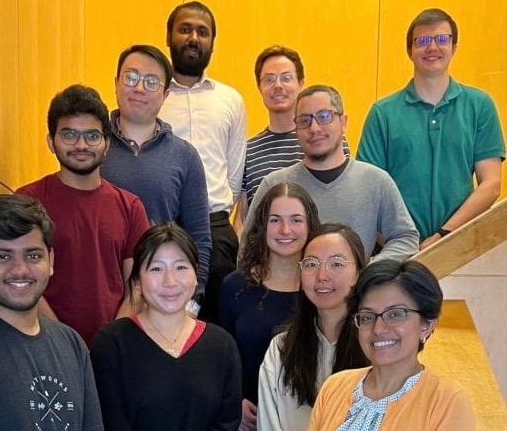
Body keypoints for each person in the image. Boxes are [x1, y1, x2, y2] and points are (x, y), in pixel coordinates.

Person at [0, 194, 103, 430]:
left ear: (51, 260)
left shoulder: (72, 344)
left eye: (33, 255)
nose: (20, 270)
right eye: (3, 256)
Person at [358, 8, 505, 250]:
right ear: (410, 51)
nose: (432, 47)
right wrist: (401, 244)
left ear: (454, 47)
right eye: (423, 41)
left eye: (442, 39)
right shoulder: (382, 113)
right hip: (397, 252)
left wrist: (444, 236)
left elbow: (491, 185)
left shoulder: (480, 106)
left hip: (460, 246)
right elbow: (369, 193)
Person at [17, 84, 150, 345]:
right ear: (51, 142)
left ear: (106, 144)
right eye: (69, 134)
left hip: (112, 348)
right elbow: (23, 277)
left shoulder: (131, 206)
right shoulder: (27, 201)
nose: (81, 145)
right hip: (41, 343)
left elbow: (137, 285)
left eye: (92, 136)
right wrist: (64, 343)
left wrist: (109, 343)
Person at [90, 223, 242, 431]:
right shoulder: (111, 344)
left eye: (181, 267)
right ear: (137, 281)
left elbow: (227, 422)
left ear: (196, 275)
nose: (170, 281)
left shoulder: (222, 345)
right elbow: (111, 421)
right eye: (156, 269)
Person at [243, 85, 419, 262]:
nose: (314, 128)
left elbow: (406, 238)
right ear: (296, 129)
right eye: (304, 120)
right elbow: (247, 249)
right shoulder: (274, 184)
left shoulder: (376, 181)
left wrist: (367, 270)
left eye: (324, 116)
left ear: (343, 122)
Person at [100, 44, 211, 304]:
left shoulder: (185, 156)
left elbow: (199, 237)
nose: (139, 88)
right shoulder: (93, 147)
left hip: (163, 296)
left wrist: (192, 301)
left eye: (151, 82)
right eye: (131, 77)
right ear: (116, 83)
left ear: (165, 93)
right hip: (101, 290)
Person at [307, 259, 475, 430]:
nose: (378, 329)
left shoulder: (447, 400)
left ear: (426, 325)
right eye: (367, 317)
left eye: (395, 314)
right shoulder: (334, 386)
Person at [159, 1, 247, 323]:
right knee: (161, 323)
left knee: (217, 326)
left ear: (212, 41)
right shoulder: (153, 97)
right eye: (185, 29)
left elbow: (235, 170)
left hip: (215, 231)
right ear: (169, 37)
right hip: (162, 228)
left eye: (202, 32)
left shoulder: (230, 100)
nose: (193, 38)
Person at [220, 182, 321, 431]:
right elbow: (219, 357)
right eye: (275, 220)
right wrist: (232, 404)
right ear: (262, 226)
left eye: (296, 220)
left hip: (309, 418)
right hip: (247, 420)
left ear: (310, 226)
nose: (285, 229)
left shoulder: (322, 288)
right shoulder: (234, 286)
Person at [257, 223, 369, 431]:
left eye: (336, 264)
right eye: (311, 264)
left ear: (359, 272)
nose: (322, 276)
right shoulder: (281, 348)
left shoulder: (376, 346)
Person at [236, 46, 350, 234]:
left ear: (301, 83)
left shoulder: (323, 140)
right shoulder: (249, 150)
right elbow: (243, 217)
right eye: (269, 79)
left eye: (286, 78)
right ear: (259, 87)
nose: (278, 85)